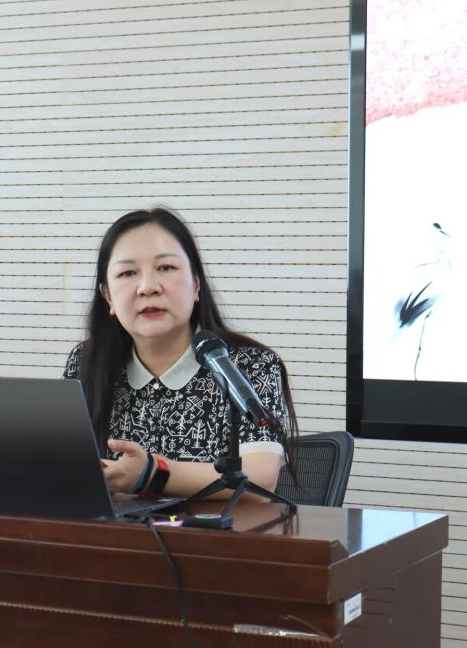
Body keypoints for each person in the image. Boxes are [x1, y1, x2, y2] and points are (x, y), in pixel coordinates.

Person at [63, 208, 297, 500]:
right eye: (128, 273)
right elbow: (64, 465)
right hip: (111, 530)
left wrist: (152, 474)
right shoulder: (85, 362)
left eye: (166, 268)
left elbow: (260, 480)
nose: (148, 287)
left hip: (217, 529)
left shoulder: (248, 365)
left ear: (196, 285)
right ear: (108, 297)